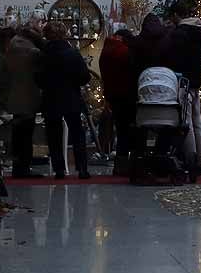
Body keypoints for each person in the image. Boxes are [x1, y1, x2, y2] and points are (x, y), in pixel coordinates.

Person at [36, 21, 91, 180]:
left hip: (51, 98)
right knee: (77, 133)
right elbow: (84, 77)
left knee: (53, 134)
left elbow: (38, 78)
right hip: (71, 97)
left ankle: (59, 169)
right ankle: (82, 169)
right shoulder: (73, 53)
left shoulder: (43, 55)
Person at [167, 2, 201, 175]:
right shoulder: (199, 31)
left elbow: (174, 59)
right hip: (196, 79)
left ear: (176, 15)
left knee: (187, 121)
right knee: (198, 121)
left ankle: (191, 159)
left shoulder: (179, 34)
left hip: (183, 81)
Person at [5, 27, 42, 178]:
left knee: (17, 135)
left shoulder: (11, 49)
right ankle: (24, 168)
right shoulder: (33, 51)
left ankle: (17, 166)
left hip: (14, 98)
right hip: (28, 98)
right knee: (26, 136)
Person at [99, 25, 137, 176]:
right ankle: (131, 165)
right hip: (128, 96)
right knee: (131, 131)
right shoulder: (125, 52)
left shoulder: (105, 52)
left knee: (121, 131)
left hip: (112, 96)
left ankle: (119, 166)